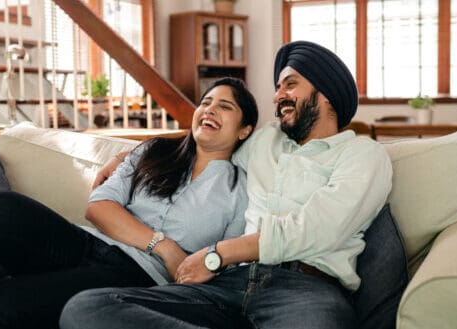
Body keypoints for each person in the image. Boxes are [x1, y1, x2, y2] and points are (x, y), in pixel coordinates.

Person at [0, 77, 258, 329]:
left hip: (134, 278)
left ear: (244, 130)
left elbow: (227, 264)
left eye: (225, 107)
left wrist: (187, 263)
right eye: (206, 101)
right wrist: (165, 245)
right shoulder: (153, 152)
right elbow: (98, 207)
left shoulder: (241, 191)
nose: (209, 109)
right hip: (87, 243)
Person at [59, 41, 393, 329]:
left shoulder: (364, 156)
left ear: (328, 95)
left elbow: (317, 228)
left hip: (306, 289)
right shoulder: (264, 142)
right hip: (228, 285)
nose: (279, 96)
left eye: (290, 85)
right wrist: (130, 154)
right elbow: (207, 141)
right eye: (277, 89)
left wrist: (219, 253)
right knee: (86, 309)